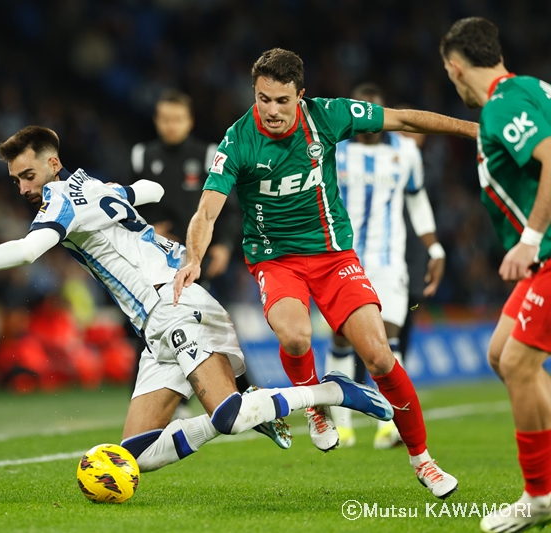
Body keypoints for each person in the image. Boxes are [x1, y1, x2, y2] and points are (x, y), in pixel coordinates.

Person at [0, 125, 395, 474]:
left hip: (173, 303)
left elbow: (30, 250)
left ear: (52, 163)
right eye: (16, 180)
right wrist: (138, 210)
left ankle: (332, 391)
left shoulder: (59, 198)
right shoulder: (91, 184)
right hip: (156, 324)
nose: (23, 187)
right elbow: (150, 187)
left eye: (28, 175)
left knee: (226, 416)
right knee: (131, 456)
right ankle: (251, 405)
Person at [173, 48, 478, 498]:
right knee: (295, 338)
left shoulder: (328, 116)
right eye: (263, 99)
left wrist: (474, 128)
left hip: (334, 256)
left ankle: (423, 461)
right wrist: (193, 257)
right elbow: (206, 211)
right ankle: (314, 405)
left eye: (282, 100)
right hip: (276, 260)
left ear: (301, 95)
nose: (271, 111)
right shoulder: (237, 140)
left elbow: (405, 120)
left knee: (379, 357)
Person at [441, 17, 551, 531]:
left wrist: (530, 238)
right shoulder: (529, 88)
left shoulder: (502, 106)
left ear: (456, 66)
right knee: (500, 355)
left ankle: (540, 494)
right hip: (542, 255)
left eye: (449, 73)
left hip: (548, 250)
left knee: (519, 362)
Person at [325, 83, 445, 450]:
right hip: (342, 260)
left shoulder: (406, 151)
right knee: (341, 339)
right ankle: (343, 427)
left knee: (388, 338)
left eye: (373, 113)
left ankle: (390, 425)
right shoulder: (335, 150)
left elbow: (416, 199)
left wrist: (435, 248)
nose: (368, 122)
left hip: (389, 260)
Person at [129, 90, 245, 416]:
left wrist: (223, 246)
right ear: (156, 121)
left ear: (189, 121)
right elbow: (126, 207)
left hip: (199, 258)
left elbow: (230, 209)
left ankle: (237, 391)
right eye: (165, 119)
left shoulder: (209, 155)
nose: (171, 125)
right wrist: (148, 229)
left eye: (177, 119)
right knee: (155, 326)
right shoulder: (141, 156)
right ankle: (167, 398)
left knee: (207, 325)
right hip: (155, 259)